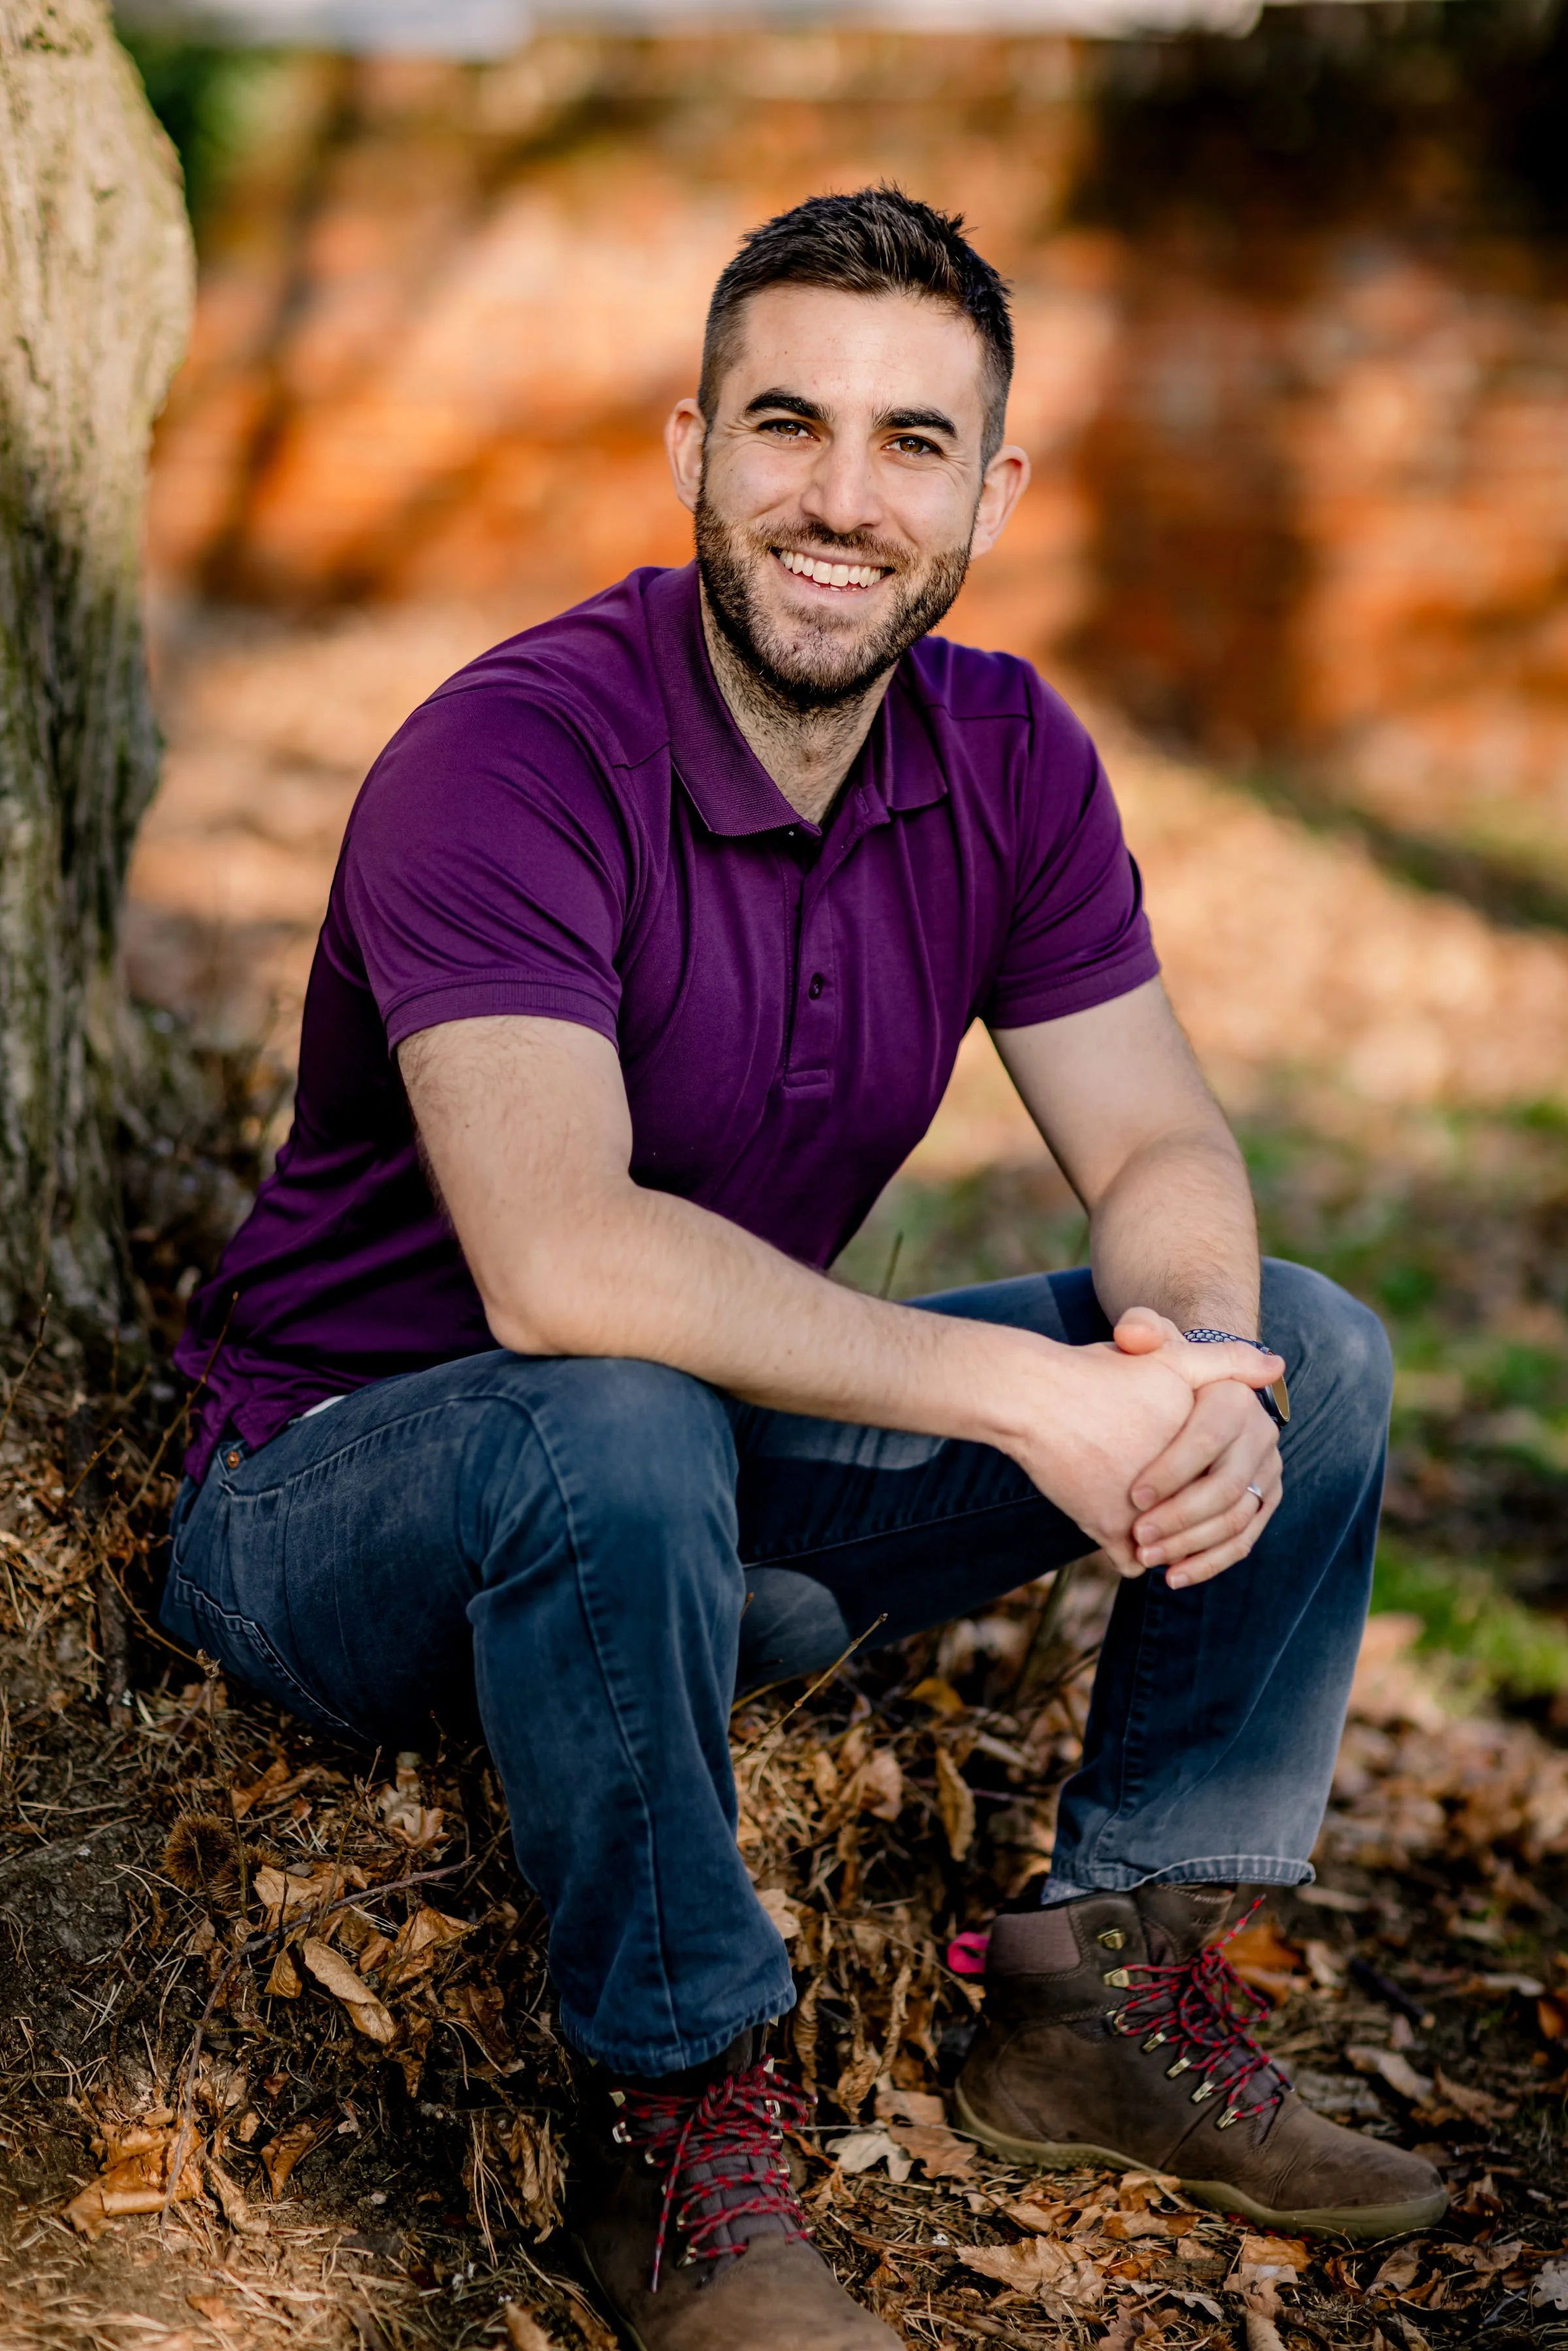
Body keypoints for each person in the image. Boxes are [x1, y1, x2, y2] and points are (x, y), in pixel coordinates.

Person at [163, 187, 1444, 2350]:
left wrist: (1193, 1369)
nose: (842, 500)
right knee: (616, 1415)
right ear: (691, 448)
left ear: (993, 491)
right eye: (786, 426)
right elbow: (560, 1265)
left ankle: (1097, 2003)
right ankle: (677, 2147)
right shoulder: (516, 754)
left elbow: (1151, 1136)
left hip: (694, 1486)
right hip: (336, 1498)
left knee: (1311, 1339)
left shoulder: (1011, 753)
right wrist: (1042, 1402)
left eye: (912, 443)